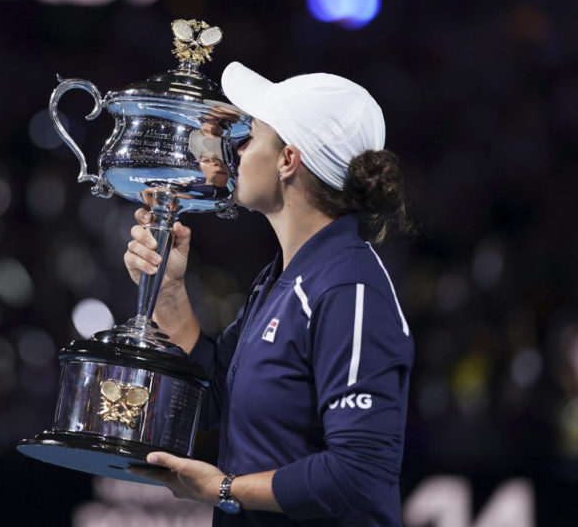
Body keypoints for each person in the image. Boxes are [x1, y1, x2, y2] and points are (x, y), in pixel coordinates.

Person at [124, 61, 415, 526]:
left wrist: (224, 489)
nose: (238, 151)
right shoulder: (283, 278)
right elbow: (212, 399)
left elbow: (362, 471)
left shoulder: (349, 288)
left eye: (252, 136)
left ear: (288, 161)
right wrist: (169, 290)